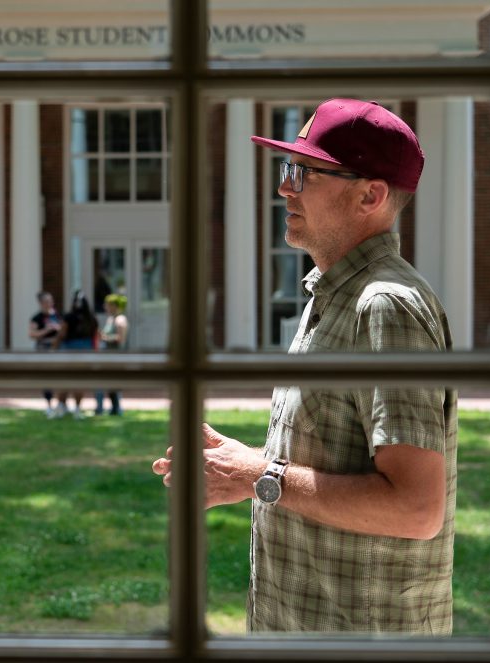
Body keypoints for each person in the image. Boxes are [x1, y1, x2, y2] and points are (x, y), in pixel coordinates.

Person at [152, 99, 456, 634]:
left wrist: (258, 476)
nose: (284, 188)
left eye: (304, 173)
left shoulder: (385, 305)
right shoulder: (335, 294)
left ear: (370, 195)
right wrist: (243, 461)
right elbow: (334, 457)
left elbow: (416, 509)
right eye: (287, 169)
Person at [52, 289, 99, 419]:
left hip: (68, 351)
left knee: (64, 379)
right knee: (80, 380)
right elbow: (95, 337)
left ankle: (61, 406)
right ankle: (77, 409)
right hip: (86, 351)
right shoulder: (92, 319)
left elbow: (62, 334)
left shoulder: (69, 317)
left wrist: (54, 347)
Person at [94, 293, 129, 415]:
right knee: (104, 382)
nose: (105, 307)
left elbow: (121, 339)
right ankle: (102, 408)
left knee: (114, 382)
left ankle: (116, 409)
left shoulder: (120, 320)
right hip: (106, 356)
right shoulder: (110, 319)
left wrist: (104, 337)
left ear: (114, 306)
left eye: (107, 304)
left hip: (115, 357)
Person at [29, 290, 62, 417]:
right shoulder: (37, 318)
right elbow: (32, 334)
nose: (50, 303)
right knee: (47, 377)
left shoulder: (58, 315)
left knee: (60, 376)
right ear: (41, 303)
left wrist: (59, 329)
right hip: (43, 348)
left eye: (51, 300)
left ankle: (61, 404)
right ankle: (49, 405)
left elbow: (65, 330)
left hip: (57, 348)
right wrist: (46, 330)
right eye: (46, 301)